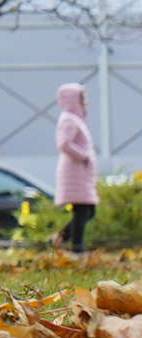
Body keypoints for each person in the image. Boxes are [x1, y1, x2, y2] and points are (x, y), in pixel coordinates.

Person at [59, 81, 99, 249]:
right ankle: (76, 247)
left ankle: (60, 239)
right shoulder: (69, 120)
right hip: (75, 172)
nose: (86, 101)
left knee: (87, 211)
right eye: (83, 98)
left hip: (80, 173)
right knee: (83, 210)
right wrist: (84, 157)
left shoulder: (75, 119)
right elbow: (64, 143)